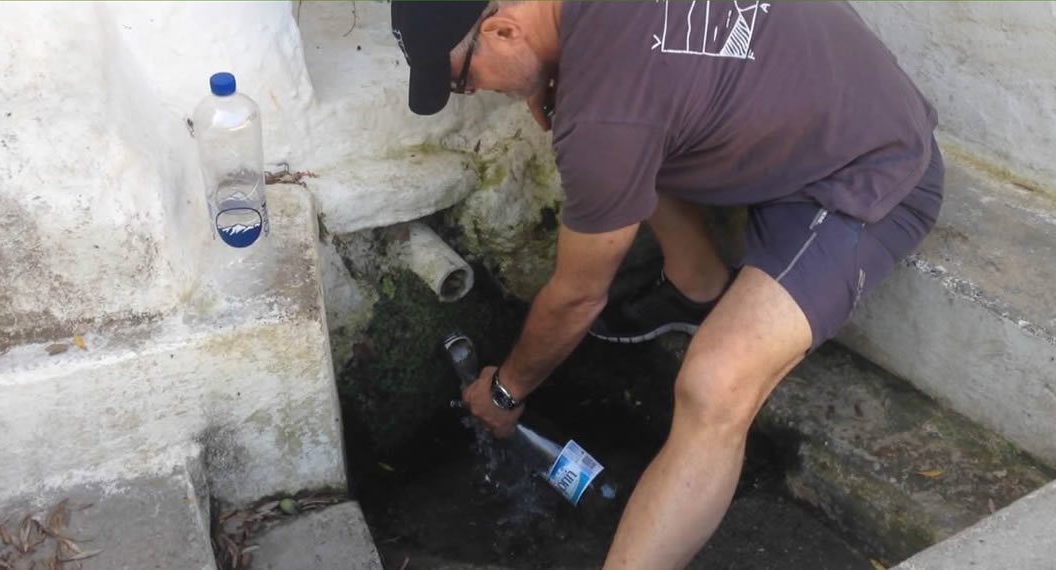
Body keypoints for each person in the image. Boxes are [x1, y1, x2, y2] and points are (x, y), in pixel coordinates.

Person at [390, 1, 944, 568]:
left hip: (866, 170)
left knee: (714, 385)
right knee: (610, 152)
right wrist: (552, 74)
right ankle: (696, 283)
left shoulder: (605, 113)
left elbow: (578, 296)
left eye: (464, 80)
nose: (475, 91)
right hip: (823, 103)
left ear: (502, 29)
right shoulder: (583, 43)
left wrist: (507, 392)